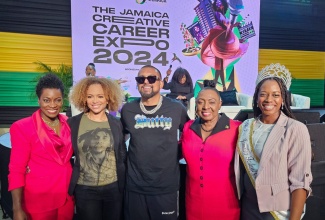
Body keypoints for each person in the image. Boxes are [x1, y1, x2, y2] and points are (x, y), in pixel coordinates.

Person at [235, 63, 313, 220]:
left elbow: (300, 182)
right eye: (263, 94)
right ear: (256, 98)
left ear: (283, 99)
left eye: (275, 95)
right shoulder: (245, 127)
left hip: (276, 211)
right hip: (248, 207)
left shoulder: (295, 129)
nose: (268, 99)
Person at [121, 65, 189, 220]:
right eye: (141, 79)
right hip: (135, 186)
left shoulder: (176, 108)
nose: (146, 82)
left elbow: (189, 134)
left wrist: (176, 153)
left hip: (166, 186)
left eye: (151, 78)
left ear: (161, 83)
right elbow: (120, 139)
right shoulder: (128, 109)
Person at [8, 73, 74, 220]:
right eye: (46, 100)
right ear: (38, 100)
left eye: (57, 100)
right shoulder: (22, 127)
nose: (52, 105)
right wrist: (17, 208)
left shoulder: (69, 123)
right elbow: (16, 170)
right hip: (39, 201)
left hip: (67, 198)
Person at [180, 81, 241, 220]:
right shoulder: (188, 128)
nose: (206, 106)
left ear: (220, 104)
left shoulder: (237, 128)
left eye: (211, 102)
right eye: (200, 102)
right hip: (193, 203)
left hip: (226, 204)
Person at [68, 77, 127, 220]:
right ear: (84, 98)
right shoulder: (73, 123)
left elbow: (122, 154)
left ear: (108, 98)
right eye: (90, 96)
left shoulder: (117, 123)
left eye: (100, 96)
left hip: (114, 188)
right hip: (85, 189)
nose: (95, 101)